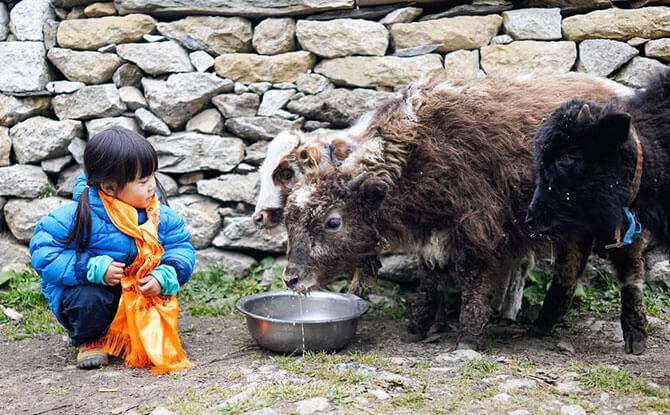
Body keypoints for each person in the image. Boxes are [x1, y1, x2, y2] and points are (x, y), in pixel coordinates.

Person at [30, 128, 196, 372]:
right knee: (89, 297)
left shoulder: (159, 216)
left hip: (132, 290)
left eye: (152, 177)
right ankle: (90, 339)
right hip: (91, 293)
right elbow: (44, 253)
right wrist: (90, 267)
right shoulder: (77, 217)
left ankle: (129, 333)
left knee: (152, 294)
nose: (152, 186)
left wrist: (167, 273)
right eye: (142, 182)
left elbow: (180, 247)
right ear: (110, 188)